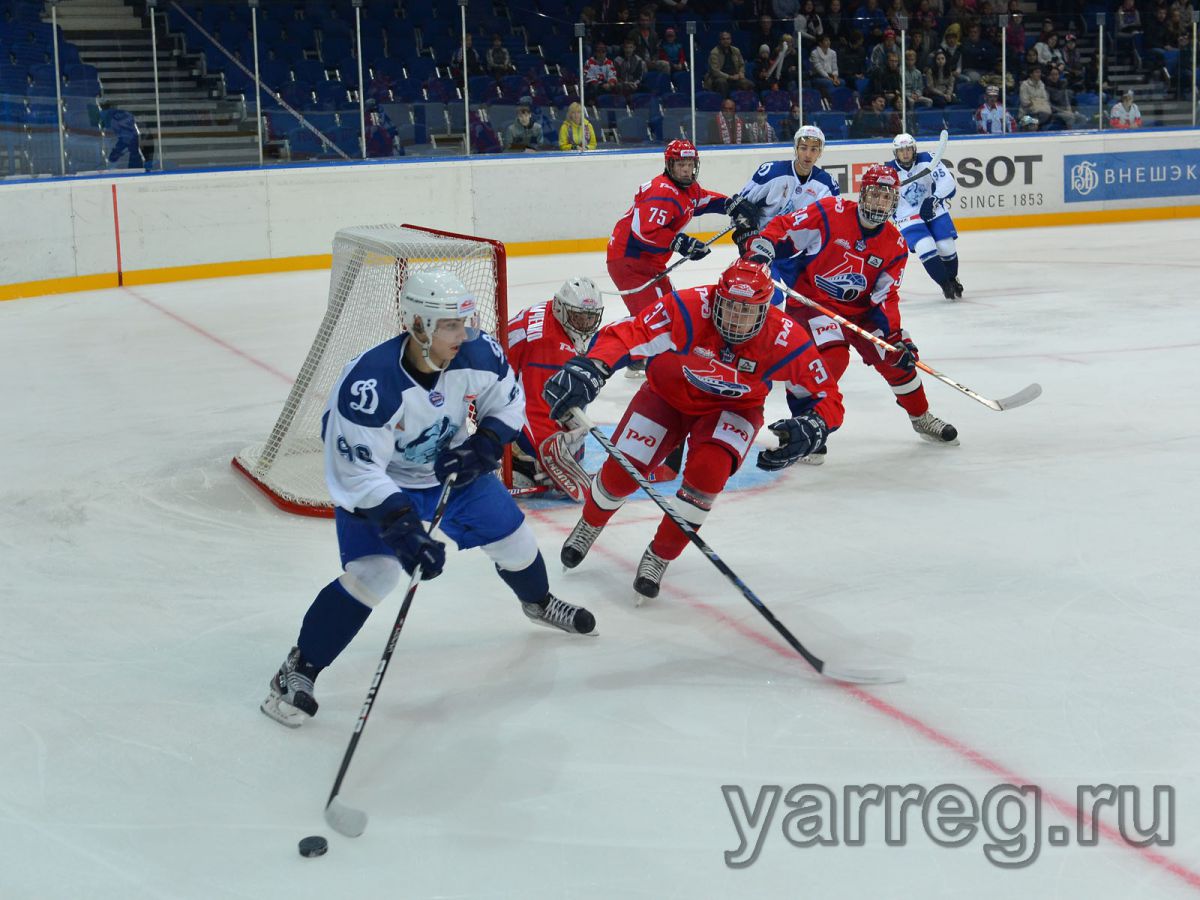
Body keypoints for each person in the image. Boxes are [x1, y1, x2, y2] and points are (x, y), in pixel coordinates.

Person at [261, 270, 597, 728]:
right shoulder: (370, 384)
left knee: (516, 542)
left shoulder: (478, 351)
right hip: (383, 485)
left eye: (464, 322)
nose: (465, 333)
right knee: (374, 575)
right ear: (419, 325)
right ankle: (298, 670)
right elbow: (355, 472)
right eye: (450, 326)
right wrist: (402, 529)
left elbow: (510, 400)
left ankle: (537, 602)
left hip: (451, 474)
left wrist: (483, 445)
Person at [543, 259, 845, 603]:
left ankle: (660, 555)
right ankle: (590, 523)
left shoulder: (785, 337)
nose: (735, 319)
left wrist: (814, 426)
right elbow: (631, 333)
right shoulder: (687, 307)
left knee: (708, 476)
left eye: (747, 312)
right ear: (716, 297)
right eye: (729, 307)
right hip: (665, 396)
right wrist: (593, 366)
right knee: (621, 472)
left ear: (765, 312)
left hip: (733, 409)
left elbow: (827, 396)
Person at [747, 165, 959, 453]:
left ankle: (921, 417)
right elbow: (786, 226)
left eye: (886, 198)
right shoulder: (830, 212)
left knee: (895, 357)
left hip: (859, 312)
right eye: (874, 195)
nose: (879, 203)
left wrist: (894, 336)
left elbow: (886, 297)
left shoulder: (894, 244)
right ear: (863, 195)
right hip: (813, 304)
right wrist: (765, 244)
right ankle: (805, 425)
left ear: (894, 202)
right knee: (828, 360)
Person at [607, 139, 755, 319]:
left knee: (670, 312)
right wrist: (680, 242)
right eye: (681, 164)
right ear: (670, 165)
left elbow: (704, 201)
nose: (686, 169)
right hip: (630, 260)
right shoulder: (661, 191)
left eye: (690, 164)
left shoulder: (688, 188)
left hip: (649, 261)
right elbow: (643, 233)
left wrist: (729, 204)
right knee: (655, 320)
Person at [506, 278, 604, 499]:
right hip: (489, 396)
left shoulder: (554, 317)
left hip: (498, 384)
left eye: (590, 318)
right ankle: (516, 461)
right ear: (561, 308)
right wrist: (547, 454)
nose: (584, 325)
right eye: (578, 318)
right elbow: (534, 405)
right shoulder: (547, 344)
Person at [732, 124, 839, 305]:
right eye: (804, 148)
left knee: (806, 303)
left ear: (820, 152)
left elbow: (829, 226)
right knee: (771, 299)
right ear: (796, 148)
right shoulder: (771, 172)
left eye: (814, 149)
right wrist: (746, 233)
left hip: (796, 254)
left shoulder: (827, 185)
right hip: (762, 246)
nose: (808, 154)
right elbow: (739, 207)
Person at [886, 133, 962, 300]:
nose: (905, 153)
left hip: (934, 209)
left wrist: (934, 198)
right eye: (901, 150)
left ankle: (952, 278)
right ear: (895, 153)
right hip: (907, 217)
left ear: (914, 149)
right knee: (925, 247)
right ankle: (944, 284)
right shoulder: (888, 170)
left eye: (908, 149)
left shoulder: (928, 158)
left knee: (946, 247)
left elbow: (948, 182)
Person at [1019, 64, 1053, 129]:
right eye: (1037, 72)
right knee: (1033, 125)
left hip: (1041, 114)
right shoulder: (1024, 85)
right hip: (1026, 115)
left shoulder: (1042, 84)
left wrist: (1034, 101)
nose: (1039, 74)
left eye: (1040, 72)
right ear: (1031, 74)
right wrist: (1038, 101)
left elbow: (1045, 99)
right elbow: (1025, 102)